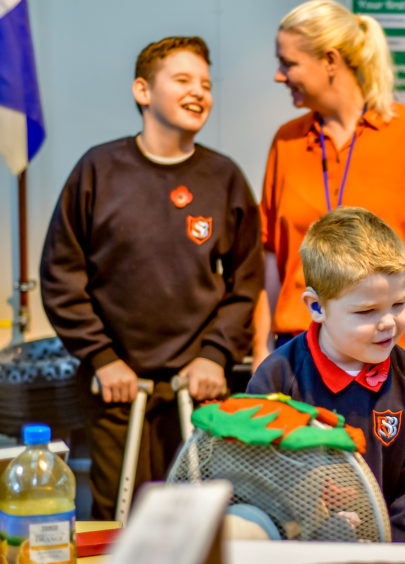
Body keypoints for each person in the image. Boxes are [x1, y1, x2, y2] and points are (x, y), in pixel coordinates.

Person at [39, 36, 263, 520]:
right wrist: (102, 358)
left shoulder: (224, 178)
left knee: (198, 520)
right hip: (117, 386)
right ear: (143, 90)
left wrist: (215, 356)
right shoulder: (98, 170)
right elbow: (61, 274)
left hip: (198, 388)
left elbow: (246, 282)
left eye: (205, 83)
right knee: (118, 519)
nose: (199, 92)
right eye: (182, 80)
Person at [252, 0, 405, 437]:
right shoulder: (286, 143)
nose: (280, 76)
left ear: (330, 61)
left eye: (288, 63)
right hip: (301, 363)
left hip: (396, 357)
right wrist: (263, 349)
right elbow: (271, 259)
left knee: (398, 498)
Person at [247, 207, 405, 541]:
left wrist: (392, 553)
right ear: (316, 306)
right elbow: (255, 479)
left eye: (398, 304)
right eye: (367, 311)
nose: (388, 323)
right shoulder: (277, 379)